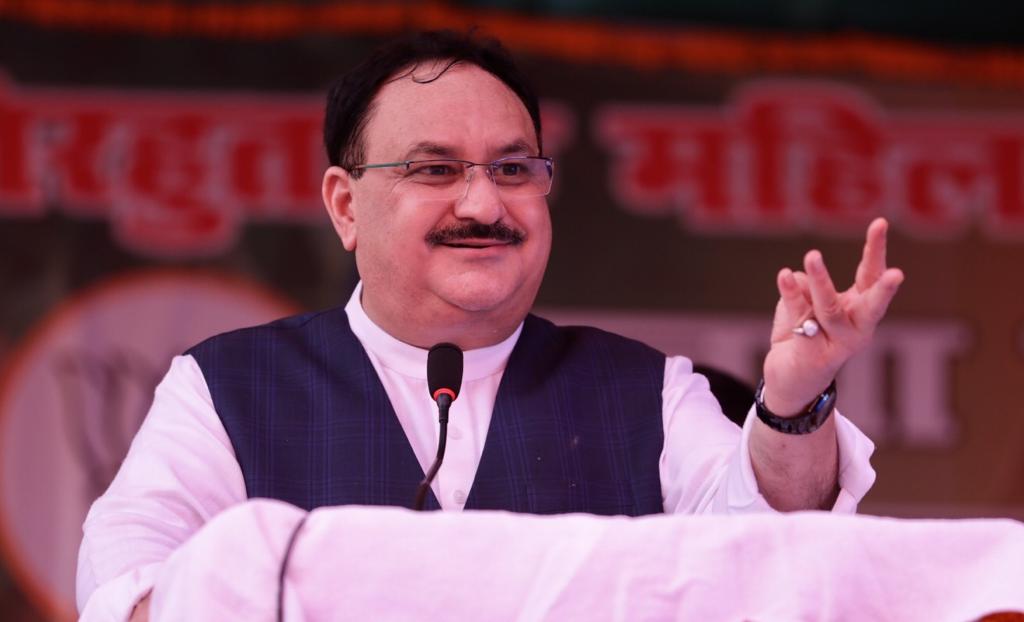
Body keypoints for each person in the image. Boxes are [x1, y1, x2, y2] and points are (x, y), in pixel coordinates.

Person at [76, 30, 903, 620]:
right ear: (344, 205)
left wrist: (794, 404)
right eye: (434, 169)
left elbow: (767, 564)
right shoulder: (228, 388)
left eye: (513, 169)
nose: (483, 204)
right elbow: (127, 588)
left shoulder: (645, 393)